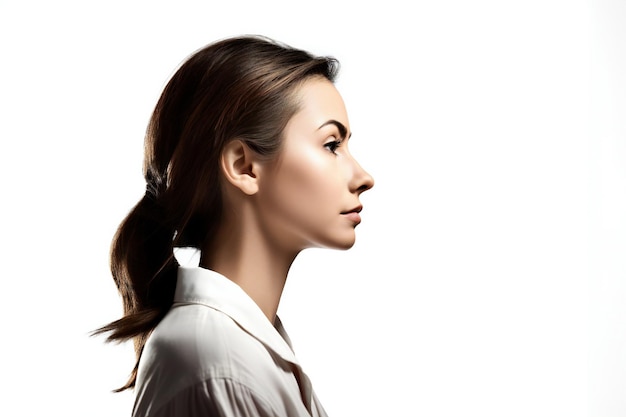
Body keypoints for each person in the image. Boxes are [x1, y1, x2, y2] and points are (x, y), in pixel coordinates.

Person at [95, 34, 374, 417]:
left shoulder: (241, 349)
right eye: (331, 145)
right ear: (244, 166)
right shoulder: (219, 362)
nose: (363, 176)